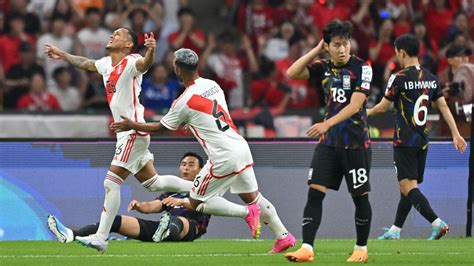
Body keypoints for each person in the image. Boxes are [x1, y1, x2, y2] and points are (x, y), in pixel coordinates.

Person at [111, 48, 296, 254]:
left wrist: (132, 125)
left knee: (196, 202)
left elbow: (161, 127)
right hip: (240, 147)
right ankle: (283, 236)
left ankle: (246, 213)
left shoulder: (183, 101)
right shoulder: (212, 85)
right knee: (254, 197)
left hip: (223, 156)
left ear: (178, 70)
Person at [44, 28, 193, 253]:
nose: (112, 35)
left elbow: (145, 64)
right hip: (127, 134)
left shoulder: (132, 61)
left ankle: (101, 237)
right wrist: (63, 55)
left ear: (128, 44)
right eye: (112, 33)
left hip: (132, 130)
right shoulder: (106, 64)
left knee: (111, 183)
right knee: (155, 183)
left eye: (118, 34)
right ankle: (201, 186)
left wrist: (151, 50)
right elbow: (85, 63)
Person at [284, 20, 373, 263]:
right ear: (328, 46)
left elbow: (355, 106)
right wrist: (316, 50)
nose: (343, 49)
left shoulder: (362, 68)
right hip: (329, 145)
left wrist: (327, 123)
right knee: (315, 193)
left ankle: (361, 248)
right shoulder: (322, 67)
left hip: (355, 144)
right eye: (336, 45)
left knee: (360, 197)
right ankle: (307, 248)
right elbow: (291, 73)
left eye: (345, 44)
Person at [367, 34, 467, 241]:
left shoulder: (399, 77)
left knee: (408, 187)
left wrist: (361, 112)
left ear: (401, 53)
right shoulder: (431, 78)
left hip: (404, 141)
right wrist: (456, 134)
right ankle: (396, 229)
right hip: (422, 142)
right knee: (408, 187)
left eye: (396, 52)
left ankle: (437, 223)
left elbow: (383, 107)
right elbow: (443, 107)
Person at [47, 152, 211, 243]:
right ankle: (71, 235)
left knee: (178, 222)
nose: (186, 168)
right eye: (183, 164)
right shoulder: (171, 191)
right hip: (159, 229)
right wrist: (140, 206)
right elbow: (153, 206)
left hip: (190, 227)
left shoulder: (205, 188)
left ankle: (167, 231)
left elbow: (207, 206)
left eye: (191, 165)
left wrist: (182, 202)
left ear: (201, 169)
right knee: (116, 221)